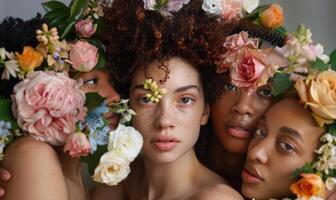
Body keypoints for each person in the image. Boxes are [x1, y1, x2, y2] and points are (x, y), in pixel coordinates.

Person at [90, 0, 243, 199]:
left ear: (205, 112)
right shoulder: (118, 179)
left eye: (185, 100)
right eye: (146, 99)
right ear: (127, 106)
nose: (164, 121)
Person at [0, 15, 120, 200]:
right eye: (91, 81)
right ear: (40, 93)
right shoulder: (33, 156)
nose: (114, 96)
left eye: (112, 81)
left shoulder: (85, 177)